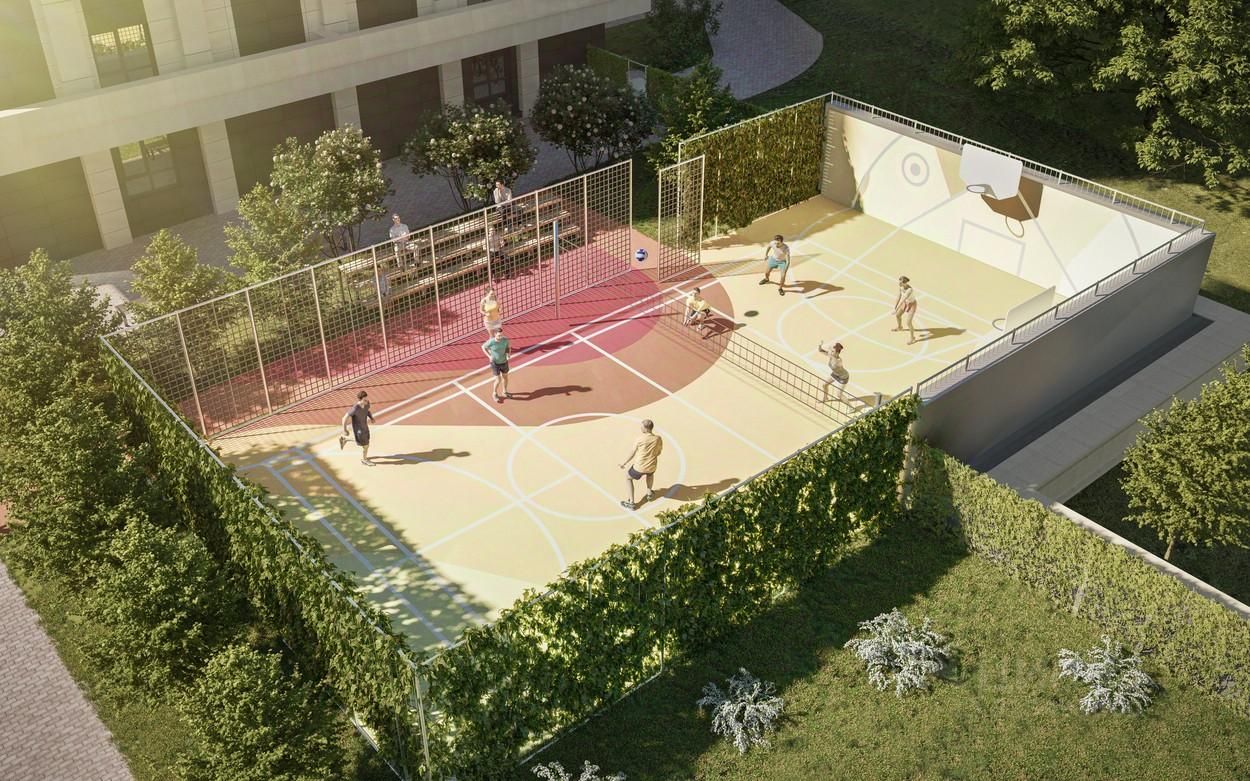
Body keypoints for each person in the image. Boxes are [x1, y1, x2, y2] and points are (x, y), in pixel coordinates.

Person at [618, 419, 663, 510]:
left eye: (642, 426)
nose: (641, 428)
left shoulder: (640, 439)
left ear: (646, 428)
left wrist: (624, 463)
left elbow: (632, 452)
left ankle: (631, 502)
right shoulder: (658, 438)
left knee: (628, 477)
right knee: (650, 474)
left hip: (640, 466)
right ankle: (649, 493)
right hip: (652, 465)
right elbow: (659, 452)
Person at [339, 390, 375, 465]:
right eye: (364, 400)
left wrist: (371, 418)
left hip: (365, 427)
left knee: (364, 442)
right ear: (360, 400)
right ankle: (364, 460)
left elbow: (367, 411)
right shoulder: (355, 408)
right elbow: (344, 418)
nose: (366, 401)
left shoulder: (367, 403)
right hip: (359, 430)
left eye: (366, 399)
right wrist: (345, 430)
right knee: (366, 445)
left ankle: (345, 439)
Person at [482, 327, 511, 402]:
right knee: (498, 380)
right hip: (495, 363)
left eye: (501, 335)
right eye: (499, 335)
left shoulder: (505, 340)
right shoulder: (491, 342)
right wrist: (489, 356)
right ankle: (494, 393)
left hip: (504, 362)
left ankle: (504, 391)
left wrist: (508, 354)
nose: (500, 337)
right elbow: (483, 347)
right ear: (495, 334)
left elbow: (508, 347)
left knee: (505, 377)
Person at [893, 276, 919, 344]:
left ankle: (912, 339)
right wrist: (895, 307)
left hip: (912, 305)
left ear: (905, 283)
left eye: (901, 282)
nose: (899, 283)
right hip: (905, 303)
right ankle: (900, 327)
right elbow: (899, 296)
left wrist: (896, 309)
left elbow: (903, 299)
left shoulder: (909, 290)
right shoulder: (901, 287)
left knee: (908, 322)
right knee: (898, 315)